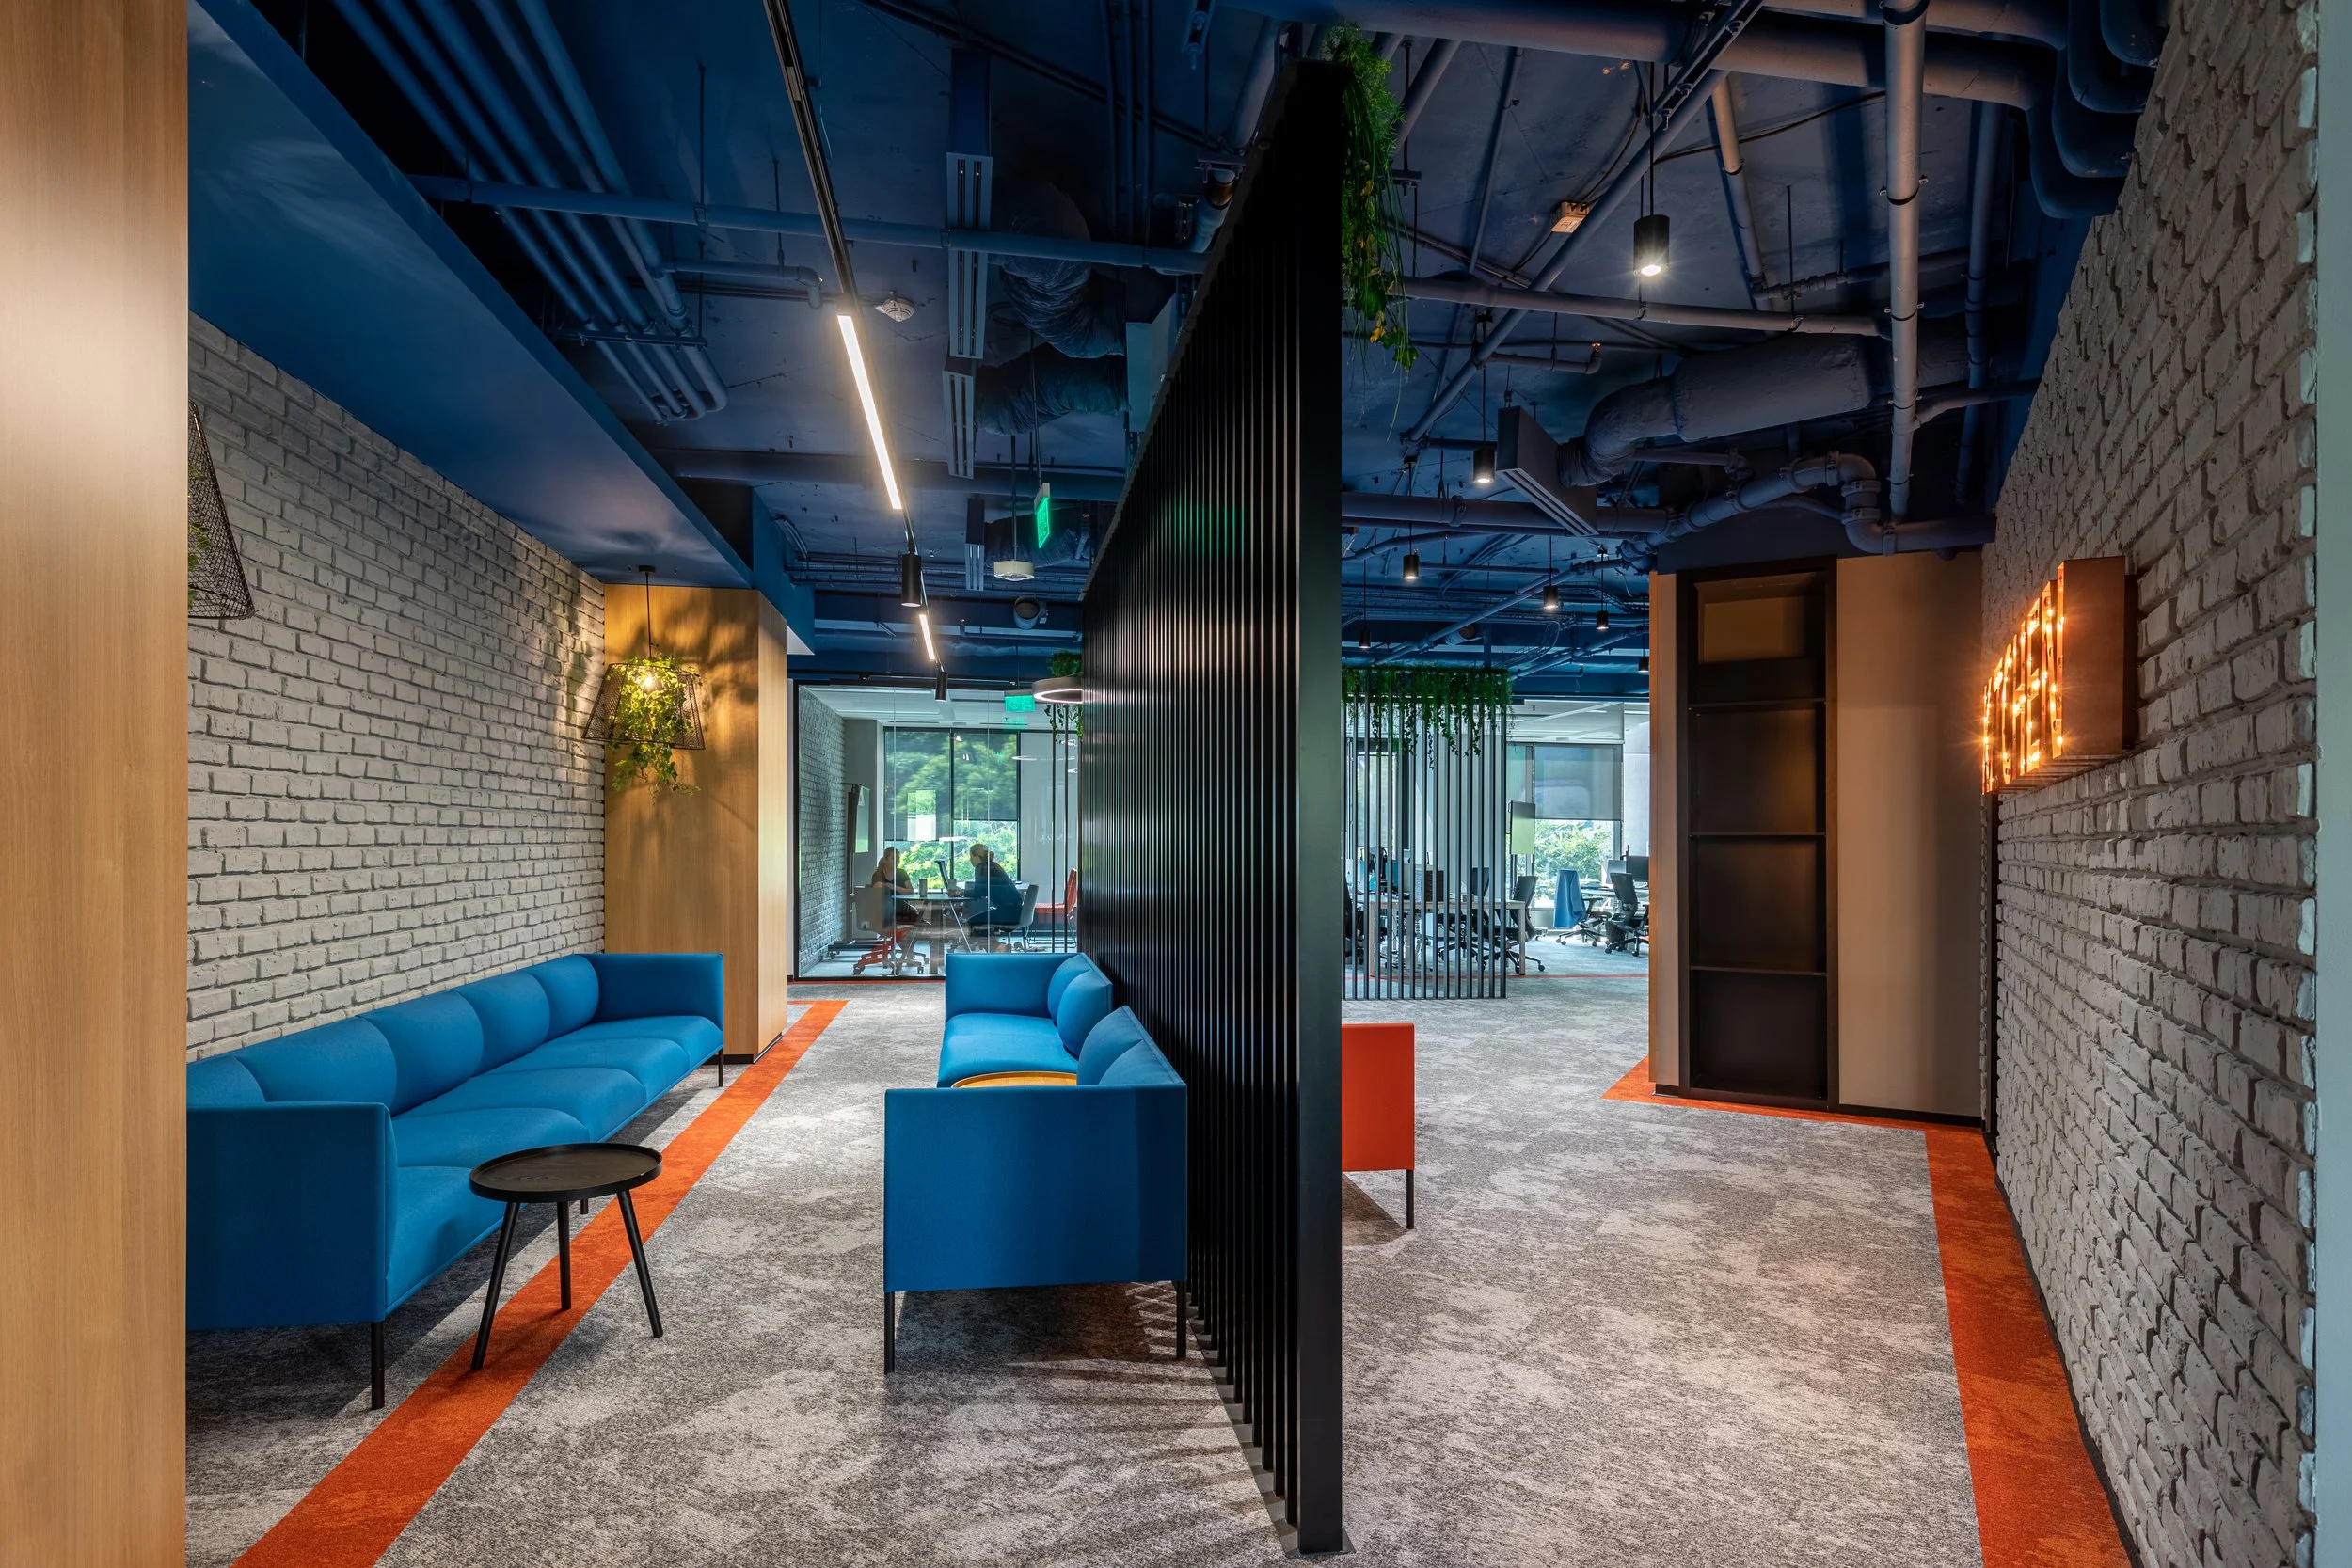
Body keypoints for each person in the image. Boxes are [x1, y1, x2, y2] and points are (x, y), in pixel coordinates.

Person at [963, 843, 1023, 932]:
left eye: (971, 856)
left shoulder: (983, 867)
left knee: (973, 922)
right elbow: (984, 890)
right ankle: (995, 945)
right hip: (1015, 911)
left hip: (1008, 913)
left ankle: (996, 946)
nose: (970, 860)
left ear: (976, 857)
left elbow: (978, 893)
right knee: (977, 920)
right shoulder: (992, 865)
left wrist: (960, 893)